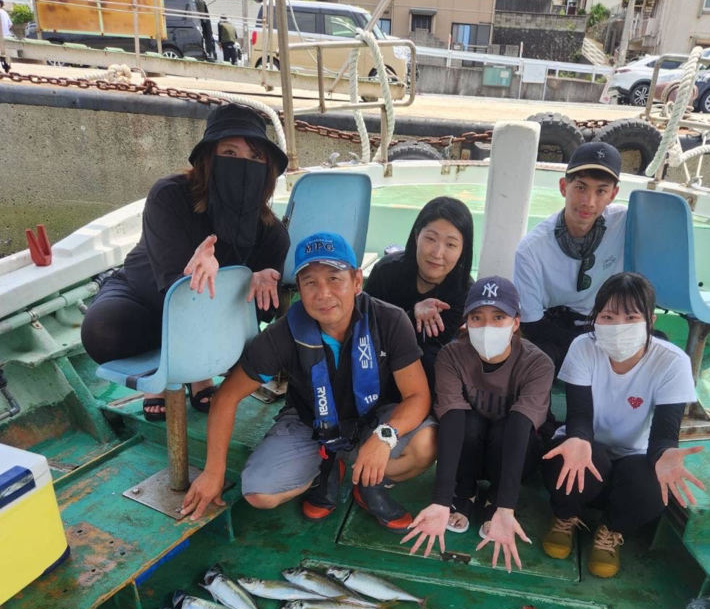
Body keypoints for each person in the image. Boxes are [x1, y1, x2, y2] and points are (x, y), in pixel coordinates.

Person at [180, 231, 436, 531]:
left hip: (374, 417)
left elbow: (418, 395)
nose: (323, 293)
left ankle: (369, 482)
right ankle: (328, 466)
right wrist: (213, 471)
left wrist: (384, 437)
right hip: (310, 422)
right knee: (259, 494)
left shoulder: (390, 321)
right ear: (299, 288)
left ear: (356, 281)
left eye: (334, 278)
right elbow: (226, 397)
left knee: (427, 446)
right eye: (310, 282)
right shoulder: (281, 335)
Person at [80, 103, 289, 420]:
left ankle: (193, 371)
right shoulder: (169, 196)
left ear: (267, 169)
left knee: (251, 318)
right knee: (102, 330)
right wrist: (191, 269)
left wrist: (255, 281)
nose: (242, 165)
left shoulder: (272, 233)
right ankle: (180, 373)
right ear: (208, 159)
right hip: (144, 297)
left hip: (211, 315)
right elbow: (170, 285)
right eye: (229, 153)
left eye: (255, 157)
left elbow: (265, 310)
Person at [540, 272, 704, 579]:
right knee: (565, 458)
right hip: (588, 451)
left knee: (655, 485)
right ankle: (565, 515)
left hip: (635, 458)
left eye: (631, 317)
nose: (618, 326)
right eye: (608, 316)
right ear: (595, 318)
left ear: (650, 321)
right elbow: (579, 417)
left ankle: (611, 530)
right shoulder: (583, 348)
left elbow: (663, 435)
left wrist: (666, 454)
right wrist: (577, 439)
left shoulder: (672, 362)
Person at [402, 275, 554, 573]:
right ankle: (464, 492)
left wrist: (507, 505)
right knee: (467, 421)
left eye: (499, 317)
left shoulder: (538, 363)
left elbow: (522, 426)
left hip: (512, 449)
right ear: (466, 322)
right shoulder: (452, 355)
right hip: (469, 449)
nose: (487, 327)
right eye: (477, 317)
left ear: (516, 321)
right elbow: (453, 419)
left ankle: (495, 500)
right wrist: (440, 500)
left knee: (508, 426)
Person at [514, 141, 626, 370]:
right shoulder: (530, 250)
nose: (589, 202)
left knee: (657, 343)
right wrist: (590, 347)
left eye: (601, 191)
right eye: (581, 187)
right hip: (554, 329)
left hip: (606, 324)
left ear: (613, 195)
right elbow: (532, 324)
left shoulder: (626, 223)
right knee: (540, 361)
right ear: (564, 186)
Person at [364, 196, 473, 389]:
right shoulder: (386, 271)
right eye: (430, 239)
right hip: (374, 367)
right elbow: (365, 324)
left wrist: (402, 320)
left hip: (424, 380)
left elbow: (431, 348)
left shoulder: (464, 292)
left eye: (451, 245)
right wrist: (410, 314)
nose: (437, 253)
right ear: (416, 236)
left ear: (463, 250)